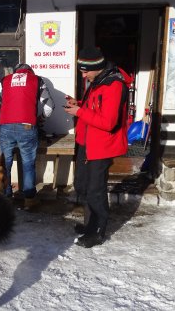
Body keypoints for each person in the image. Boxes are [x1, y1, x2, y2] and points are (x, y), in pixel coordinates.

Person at [63, 47, 132, 247]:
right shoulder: (97, 81)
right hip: (87, 142)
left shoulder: (114, 85)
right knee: (82, 186)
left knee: (95, 190)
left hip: (102, 146)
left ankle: (97, 232)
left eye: (85, 71)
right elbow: (94, 108)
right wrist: (79, 105)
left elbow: (108, 122)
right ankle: (88, 226)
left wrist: (79, 112)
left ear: (97, 67)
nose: (83, 75)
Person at [0, 63, 54, 209]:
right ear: (30, 72)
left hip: (5, 127)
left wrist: (7, 117)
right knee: (28, 164)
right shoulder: (36, 80)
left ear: (16, 72)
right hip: (27, 126)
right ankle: (29, 201)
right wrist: (40, 118)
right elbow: (49, 107)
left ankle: (6, 199)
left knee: (4, 164)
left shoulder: (5, 80)